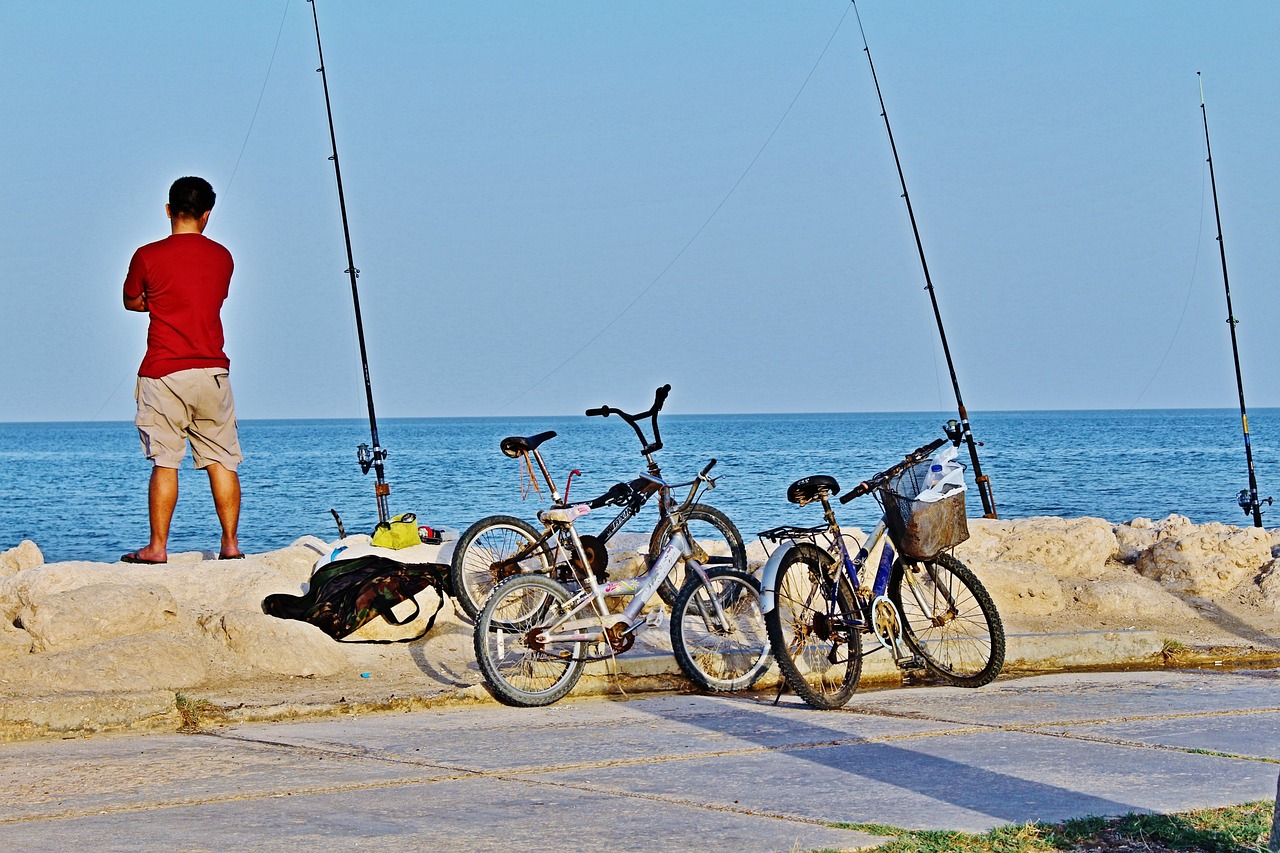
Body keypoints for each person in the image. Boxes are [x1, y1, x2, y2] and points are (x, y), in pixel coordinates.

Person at [121, 176, 243, 563]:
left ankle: (157, 548)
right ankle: (230, 545)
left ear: (169, 209)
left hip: (163, 373)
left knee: (165, 461)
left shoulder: (146, 255)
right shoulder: (223, 256)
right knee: (221, 459)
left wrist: (156, 303)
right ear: (207, 215)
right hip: (211, 372)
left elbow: (132, 301)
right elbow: (209, 296)